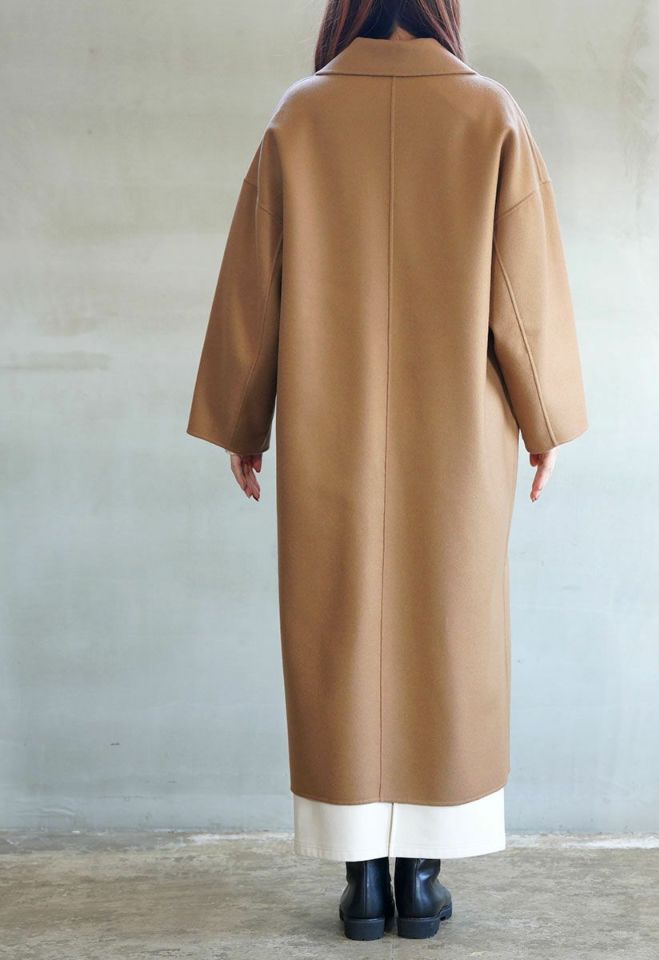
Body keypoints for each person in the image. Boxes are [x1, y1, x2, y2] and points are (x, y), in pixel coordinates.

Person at [186, 0, 588, 942]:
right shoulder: (490, 114)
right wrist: (546, 423)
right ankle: (423, 878)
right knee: (449, 627)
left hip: (330, 427)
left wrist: (244, 418)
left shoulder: (301, 117)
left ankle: (362, 883)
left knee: (338, 627)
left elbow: (255, 284)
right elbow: (523, 295)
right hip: (457, 437)